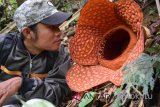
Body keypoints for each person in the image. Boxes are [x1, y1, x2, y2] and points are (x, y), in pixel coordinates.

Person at [0, 0, 72, 107]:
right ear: (28, 32)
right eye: (52, 27)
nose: (59, 32)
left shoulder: (60, 56)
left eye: (58, 26)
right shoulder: (4, 46)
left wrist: (23, 83)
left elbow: (58, 94)